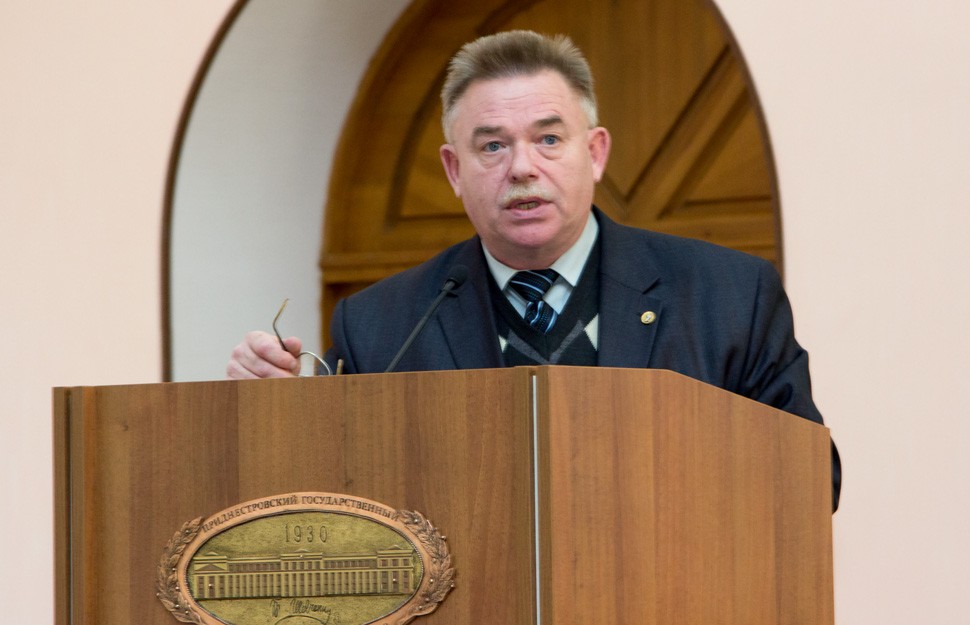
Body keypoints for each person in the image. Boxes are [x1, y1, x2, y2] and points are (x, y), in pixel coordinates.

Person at [227, 30, 841, 510]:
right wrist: (278, 418)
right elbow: (332, 502)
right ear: (453, 170)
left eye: (548, 139)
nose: (522, 167)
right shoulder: (381, 325)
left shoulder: (728, 295)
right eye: (493, 146)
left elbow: (814, 483)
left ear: (594, 153)